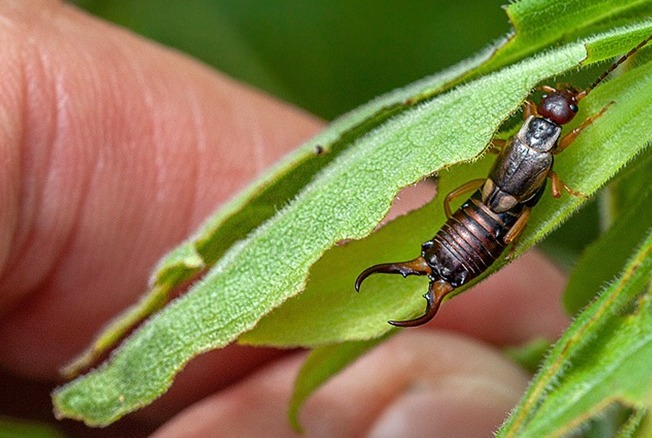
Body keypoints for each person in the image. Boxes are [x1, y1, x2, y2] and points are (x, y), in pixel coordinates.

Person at [0, 1, 570, 436]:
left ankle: (439, 268)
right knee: (496, 219)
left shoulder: (527, 139)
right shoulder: (542, 149)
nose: (555, 109)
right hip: (485, 224)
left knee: (493, 214)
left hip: (481, 219)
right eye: (557, 107)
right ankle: (441, 270)